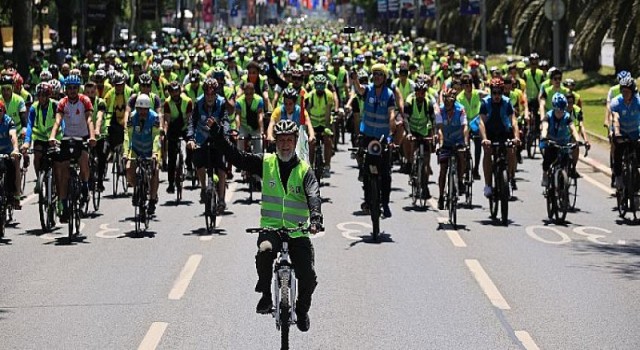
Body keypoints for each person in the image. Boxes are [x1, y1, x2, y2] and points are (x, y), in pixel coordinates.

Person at [210, 119, 322, 333]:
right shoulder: (266, 162)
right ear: (275, 142)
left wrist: (316, 218)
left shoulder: (304, 170)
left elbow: (314, 195)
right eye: (281, 140)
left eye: (289, 140)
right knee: (265, 251)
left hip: (298, 232)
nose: (285, 145)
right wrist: (217, 136)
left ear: (295, 141)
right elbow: (237, 158)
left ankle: (301, 309)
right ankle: (266, 295)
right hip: (271, 229)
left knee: (308, 277)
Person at [350, 63, 397, 218]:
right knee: (366, 169)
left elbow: (391, 114)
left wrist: (392, 129)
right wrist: (355, 80)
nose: (377, 77)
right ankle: (368, 200)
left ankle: (385, 203)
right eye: (374, 74)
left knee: (386, 173)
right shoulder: (368, 90)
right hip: (367, 135)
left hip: (383, 138)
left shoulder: (389, 94)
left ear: (384, 78)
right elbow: (360, 89)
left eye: (380, 74)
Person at [48, 75, 96, 223]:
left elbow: (89, 119)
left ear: (79, 88)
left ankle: (85, 186)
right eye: (70, 88)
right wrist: (52, 136)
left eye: (75, 87)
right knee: (62, 172)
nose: (72, 90)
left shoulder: (85, 101)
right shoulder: (63, 102)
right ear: (66, 89)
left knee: (84, 160)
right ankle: (63, 204)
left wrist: (92, 136)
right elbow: (57, 121)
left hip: (81, 137)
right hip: (67, 138)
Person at [187, 78, 230, 213]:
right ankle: (204, 188)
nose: (210, 97)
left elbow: (225, 120)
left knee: (222, 168)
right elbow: (192, 122)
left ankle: (222, 199)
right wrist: (190, 139)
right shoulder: (198, 103)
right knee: (198, 161)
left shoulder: (222, 102)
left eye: (212, 94)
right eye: (207, 94)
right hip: (202, 137)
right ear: (204, 93)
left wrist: (225, 133)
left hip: (217, 136)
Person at [478, 78, 519, 196]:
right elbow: (481, 122)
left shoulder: (507, 102)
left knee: (511, 150)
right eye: (494, 93)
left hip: (503, 132)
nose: (497, 95)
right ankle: (488, 185)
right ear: (491, 92)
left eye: (499, 92)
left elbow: (514, 121)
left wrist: (516, 137)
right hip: (490, 133)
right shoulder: (485, 103)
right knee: (487, 152)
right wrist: (485, 139)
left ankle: (510, 177)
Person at [123, 94, 161, 215]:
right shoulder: (132, 117)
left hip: (151, 150)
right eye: (140, 109)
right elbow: (127, 136)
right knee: (129, 169)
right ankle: (137, 189)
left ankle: (152, 199)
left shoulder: (154, 117)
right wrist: (125, 153)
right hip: (136, 149)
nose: (142, 112)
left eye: (145, 109)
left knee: (155, 171)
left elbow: (156, 136)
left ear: (149, 109)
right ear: (137, 108)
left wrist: (155, 153)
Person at [403, 80, 436, 199]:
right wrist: (409, 133)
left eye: (423, 92)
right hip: (412, 130)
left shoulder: (429, 103)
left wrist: (435, 134)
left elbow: (433, 119)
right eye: (419, 92)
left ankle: (425, 186)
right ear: (415, 93)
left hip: (424, 130)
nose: (421, 95)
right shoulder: (409, 103)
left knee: (426, 161)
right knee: (410, 143)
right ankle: (410, 163)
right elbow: (405, 119)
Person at [435, 89, 468, 210]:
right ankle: (440, 196)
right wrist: (441, 144)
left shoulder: (460, 110)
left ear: (453, 101)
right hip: (445, 142)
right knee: (443, 169)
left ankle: (459, 181)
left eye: (449, 100)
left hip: (458, 140)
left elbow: (465, 126)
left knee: (461, 157)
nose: (446, 102)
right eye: (444, 99)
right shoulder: (439, 110)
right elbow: (439, 129)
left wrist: (465, 142)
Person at [540, 93, 582, 186]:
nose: (560, 112)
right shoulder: (549, 116)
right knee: (548, 159)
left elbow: (573, 128)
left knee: (566, 160)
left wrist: (577, 140)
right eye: (558, 110)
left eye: (563, 109)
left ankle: (564, 182)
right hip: (551, 142)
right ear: (554, 108)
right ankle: (545, 175)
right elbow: (545, 127)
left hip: (563, 142)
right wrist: (544, 136)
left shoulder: (567, 116)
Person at [163, 81, 193, 194]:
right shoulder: (167, 103)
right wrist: (165, 132)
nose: (175, 94)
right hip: (173, 127)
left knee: (191, 146)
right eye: (172, 91)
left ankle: (190, 167)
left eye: (177, 91)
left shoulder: (188, 101)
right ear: (169, 92)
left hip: (185, 127)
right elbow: (167, 120)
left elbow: (190, 120)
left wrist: (190, 134)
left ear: (180, 91)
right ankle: (171, 183)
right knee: (171, 157)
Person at [610, 77, 640, 189]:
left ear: (633, 92)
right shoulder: (616, 102)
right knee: (618, 155)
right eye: (623, 91)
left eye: (627, 92)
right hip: (621, 133)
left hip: (635, 133)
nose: (625, 94)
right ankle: (618, 177)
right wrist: (617, 132)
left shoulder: (638, 102)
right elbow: (615, 118)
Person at [0, 100, 22, 209]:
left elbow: (13, 135)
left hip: (8, 152)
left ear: (3, 112)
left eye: (0, 111)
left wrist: (16, 149)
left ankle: (16, 195)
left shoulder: (8, 121)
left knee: (15, 163)